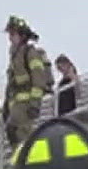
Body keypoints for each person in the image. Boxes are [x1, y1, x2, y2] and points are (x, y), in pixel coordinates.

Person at [3, 15, 52, 149]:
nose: (10, 38)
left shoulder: (30, 52)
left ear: (22, 35)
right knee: (12, 133)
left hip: (26, 103)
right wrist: (6, 106)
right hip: (16, 103)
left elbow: (38, 78)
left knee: (23, 136)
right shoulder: (14, 56)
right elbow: (11, 82)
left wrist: (35, 104)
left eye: (13, 34)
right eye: (10, 34)